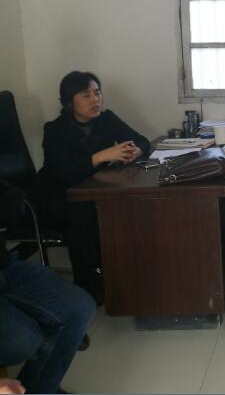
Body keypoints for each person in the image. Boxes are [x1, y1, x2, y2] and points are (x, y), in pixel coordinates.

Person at [39, 71, 150, 305]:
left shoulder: (106, 119)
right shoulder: (54, 130)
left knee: (127, 207)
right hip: (60, 197)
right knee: (86, 215)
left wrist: (135, 152)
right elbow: (64, 173)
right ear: (69, 101)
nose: (95, 100)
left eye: (97, 93)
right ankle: (90, 287)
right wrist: (101, 156)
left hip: (95, 190)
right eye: (86, 95)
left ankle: (126, 277)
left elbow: (142, 141)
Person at [1, 179, 95, 394]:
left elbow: (13, 197)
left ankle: (42, 389)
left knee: (80, 308)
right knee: (23, 339)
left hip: (5, 267)